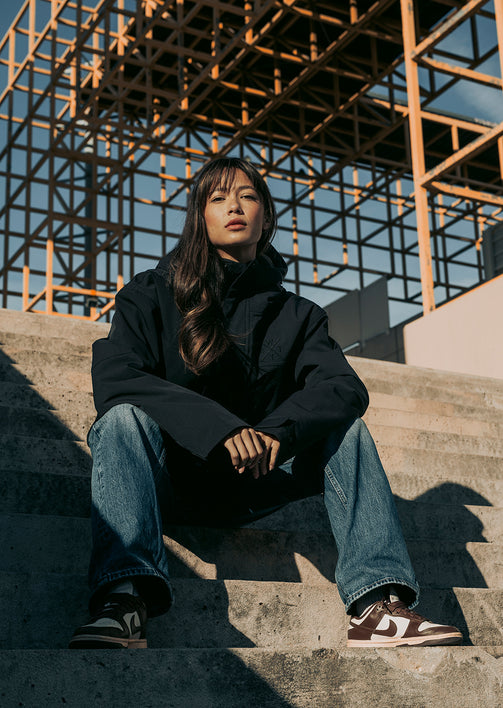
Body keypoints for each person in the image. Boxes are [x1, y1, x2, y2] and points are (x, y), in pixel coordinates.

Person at [69, 157, 462, 649]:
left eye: (248, 196)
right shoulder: (150, 294)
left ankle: (377, 606)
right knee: (120, 420)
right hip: (170, 479)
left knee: (347, 430)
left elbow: (344, 387)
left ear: (266, 215)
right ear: (200, 218)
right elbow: (116, 377)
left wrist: (279, 431)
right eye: (218, 198)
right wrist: (219, 429)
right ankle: (124, 599)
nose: (234, 206)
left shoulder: (298, 315)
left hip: (255, 479)